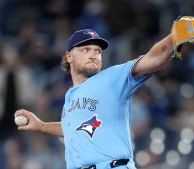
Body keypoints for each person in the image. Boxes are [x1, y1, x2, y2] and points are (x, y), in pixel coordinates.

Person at [13, 27, 182, 169]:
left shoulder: (112, 78)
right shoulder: (70, 96)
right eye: (85, 50)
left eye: (98, 51)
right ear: (69, 57)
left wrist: (175, 36)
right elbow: (74, 129)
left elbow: (154, 58)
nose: (93, 54)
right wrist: (42, 126)